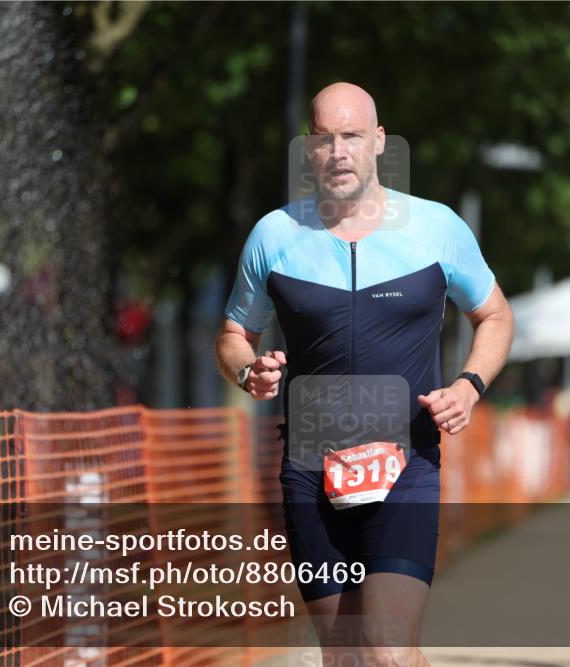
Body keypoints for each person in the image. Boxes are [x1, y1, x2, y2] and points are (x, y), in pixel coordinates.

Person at [216, 82, 513, 666]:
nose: (338, 152)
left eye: (351, 136)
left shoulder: (437, 228)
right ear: (309, 148)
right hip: (310, 472)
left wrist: (469, 386)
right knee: (344, 656)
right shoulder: (274, 236)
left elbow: (496, 316)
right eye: (324, 139)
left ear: (379, 141)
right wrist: (248, 370)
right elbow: (233, 336)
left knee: (389, 652)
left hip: (406, 467)